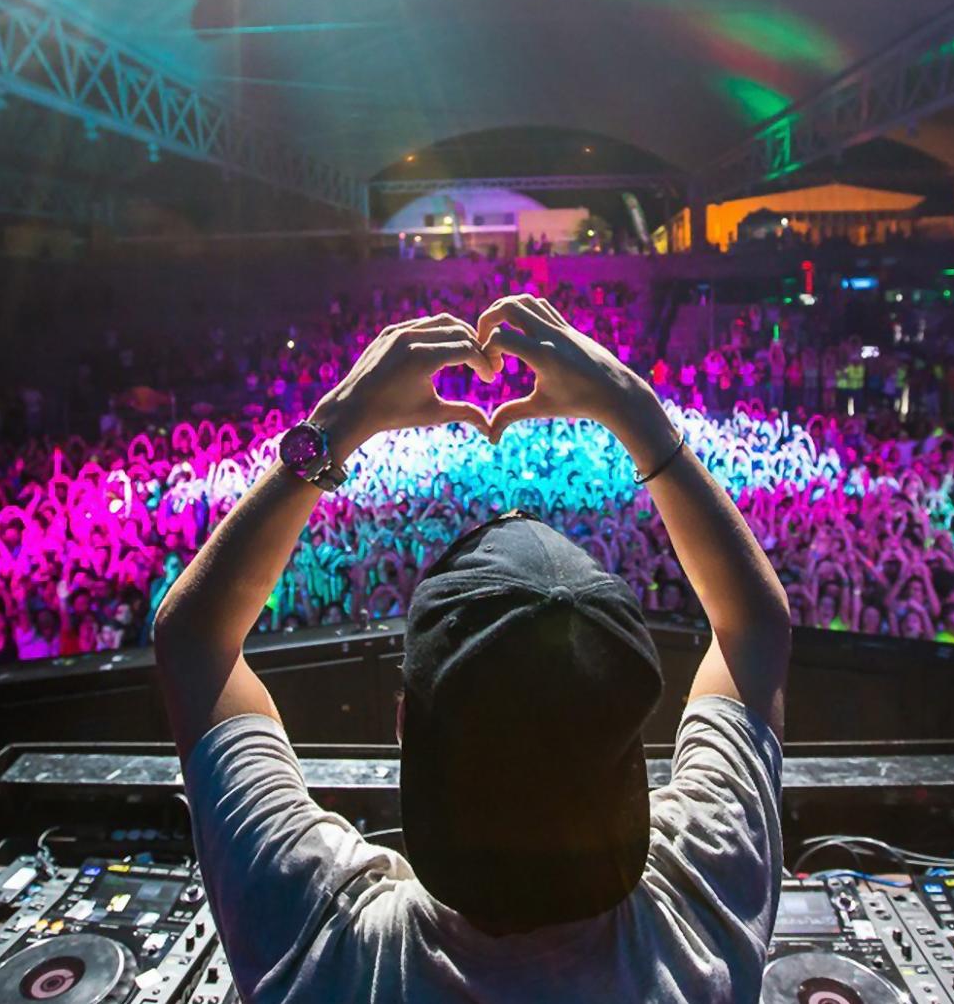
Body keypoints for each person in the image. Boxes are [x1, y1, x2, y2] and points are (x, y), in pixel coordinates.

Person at [154, 298, 790, 1003]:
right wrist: (638, 413)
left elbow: (193, 639)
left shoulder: (321, 949)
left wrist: (333, 427)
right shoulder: (703, 931)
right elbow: (755, 627)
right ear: (630, 744)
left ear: (404, 725)